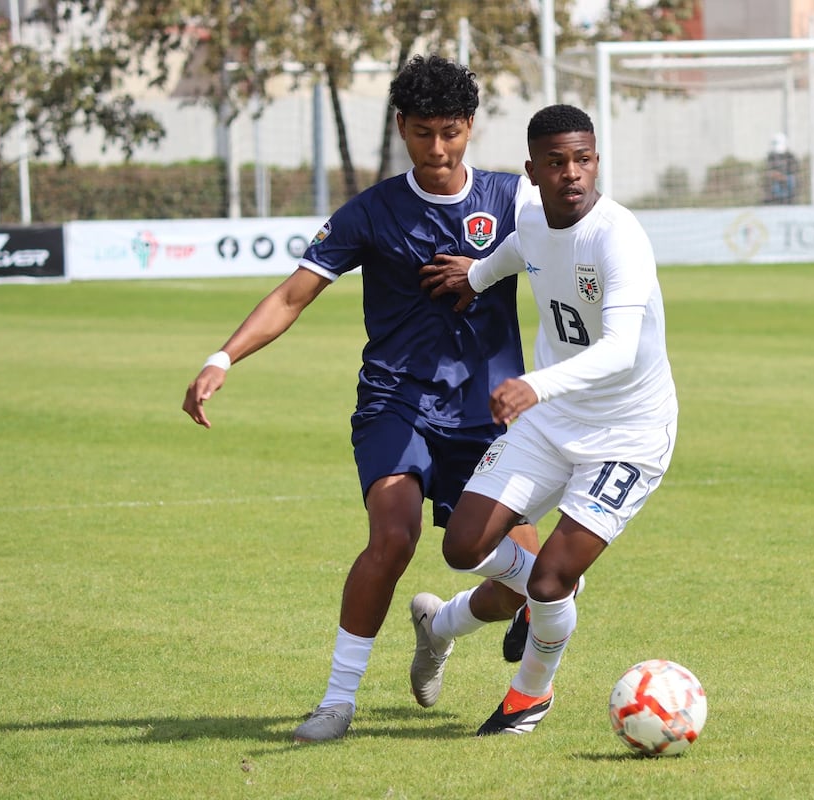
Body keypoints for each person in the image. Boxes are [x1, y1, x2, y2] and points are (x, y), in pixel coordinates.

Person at [180, 54, 542, 744]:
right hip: (396, 402)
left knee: (524, 582)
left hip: (490, 415)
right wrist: (222, 356)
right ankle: (336, 702)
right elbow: (293, 294)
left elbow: (570, 248)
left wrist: (490, 266)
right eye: (424, 133)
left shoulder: (510, 201)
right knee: (395, 533)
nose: (439, 150)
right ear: (401, 126)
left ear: (470, 126)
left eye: (452, 132)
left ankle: (440, 626)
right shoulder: (372, 212)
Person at [413, 103, 678, 736]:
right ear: (532, 171)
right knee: (463, 545)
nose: (573, 174)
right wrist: (476, 276)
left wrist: (533, 384)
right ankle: (458, 619)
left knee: (554, 576)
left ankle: (529, 695)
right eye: (556, 163)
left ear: (596, 161)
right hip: (552, 423)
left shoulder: (619, 236)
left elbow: (618, 349)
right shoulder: (531, 216)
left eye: (583, 160)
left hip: (628, 434)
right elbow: (520, 249)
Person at [764, 132, 798, 205]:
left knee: (791, 180)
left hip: (787, 178)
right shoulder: (771, 157)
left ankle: (790, 200)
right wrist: (777, 175)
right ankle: (776, 200)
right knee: (775, 186)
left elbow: (794, 169)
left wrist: (784, 177)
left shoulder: (789, 155)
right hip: (776, 179)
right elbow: (769, 171)